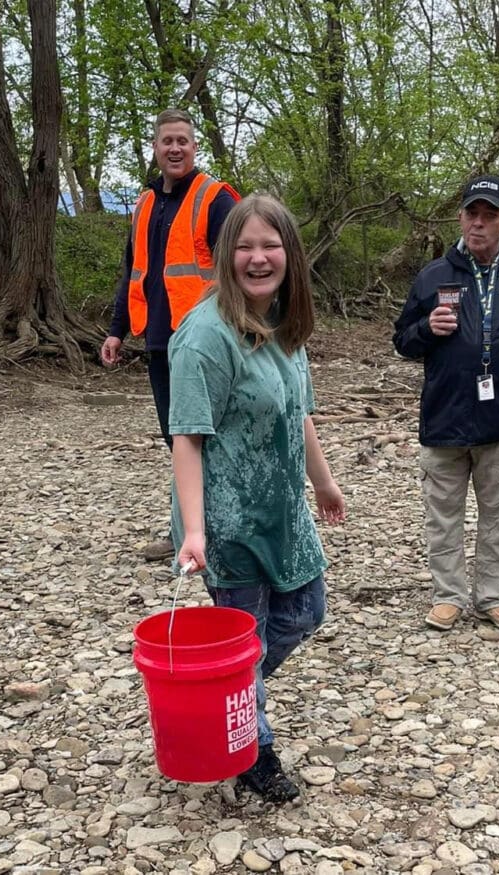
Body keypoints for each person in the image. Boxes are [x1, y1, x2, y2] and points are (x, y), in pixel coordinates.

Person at [170, 194, 345, 802]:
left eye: (270, 245)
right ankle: (253, 750)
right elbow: (187, 440)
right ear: (226, 256)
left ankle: (221, 691)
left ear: (289, 255)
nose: (258, 257)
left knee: (306, 612)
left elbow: (299, 413)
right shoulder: (203, 337)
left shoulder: (283, 323)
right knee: (246, 642)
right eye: (244, 246)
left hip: (283, 509)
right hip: (227, 518)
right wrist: (194, 531)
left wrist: (322, 482)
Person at [393, 175, 499, 633]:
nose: (479, 224)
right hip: (444, 417)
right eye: (471, 214)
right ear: (461, 216)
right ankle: (448, 595)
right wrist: (427, 328)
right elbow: (402, 341)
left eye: (489, 215)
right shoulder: (433, 276)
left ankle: (492, 596)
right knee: (442, 516)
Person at [100, 108, 240, 561]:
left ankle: (216, 530)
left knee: (208, 436)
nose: (175, 148)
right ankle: (186, 529)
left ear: (194, 146)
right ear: (156, 148)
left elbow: (240, 268)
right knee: (176, 437)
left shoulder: (215, 199)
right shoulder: (143, 205)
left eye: (183, 140)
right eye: (167, 141)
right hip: (159, 342)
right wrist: (117, 330)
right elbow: (133, 272)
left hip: (205, 339)